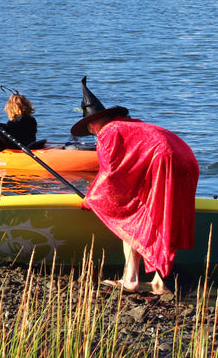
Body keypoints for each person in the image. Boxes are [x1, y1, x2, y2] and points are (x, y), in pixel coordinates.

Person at [71, 76, 199, 295]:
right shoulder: (131, 126)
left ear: (92, 124)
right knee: (164, 216)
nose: (92, 133)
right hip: (186, 158)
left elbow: (110, 172)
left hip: (163, 160)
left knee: (127, 216)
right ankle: (159, 281)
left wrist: (91, 198)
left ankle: (131, 279)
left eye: (90, 128)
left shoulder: (108, 133)